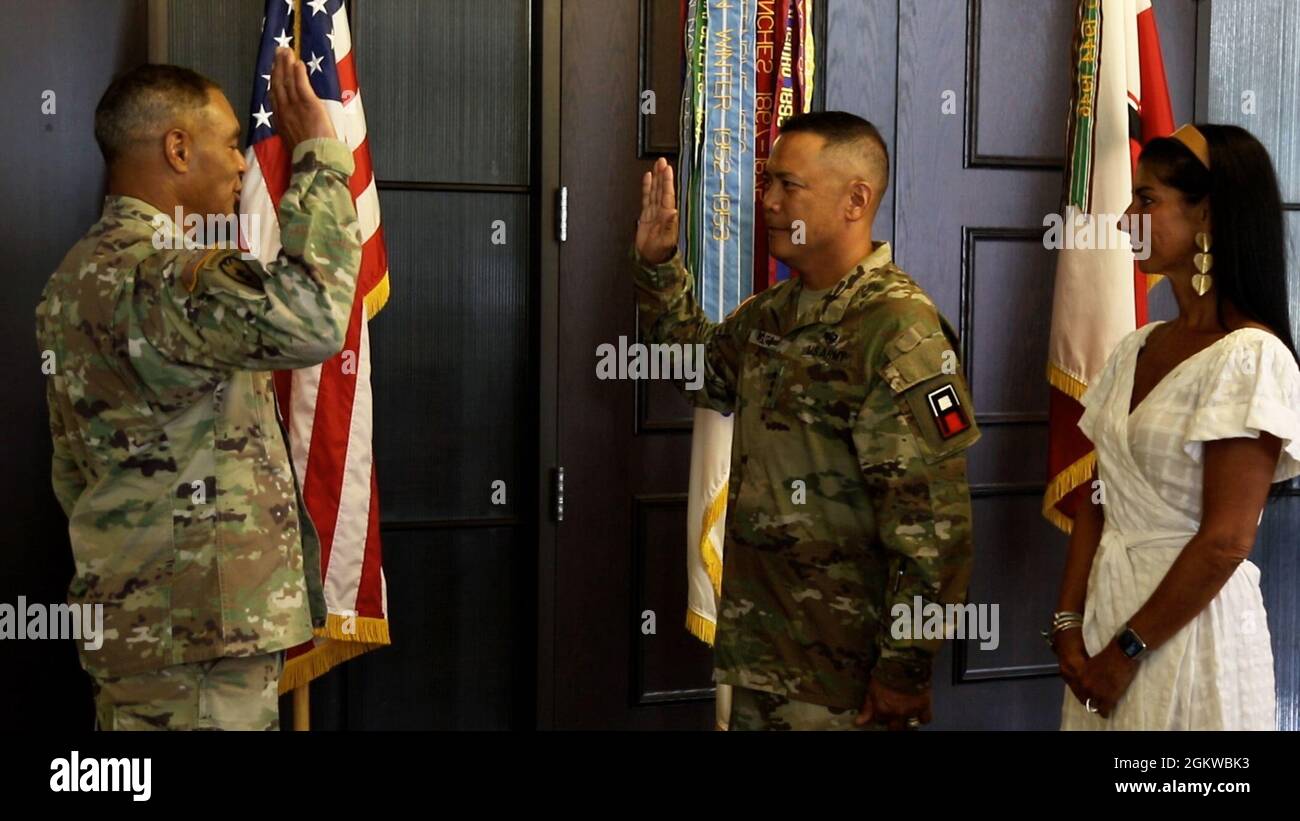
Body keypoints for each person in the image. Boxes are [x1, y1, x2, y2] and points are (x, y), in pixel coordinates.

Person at [34, 49, 361, 730]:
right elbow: (316, 318)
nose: (244, 164)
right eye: (233, 143)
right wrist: (322, 158)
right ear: (177, 149)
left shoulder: (71, 279)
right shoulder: (165, 277)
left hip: (139, 628)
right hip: (199, 641)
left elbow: (73, 470)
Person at [631, 111, 980, 730]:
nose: (765, 201)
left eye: (787, 186)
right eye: (767, 183)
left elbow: (935, 531)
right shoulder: (774, 312)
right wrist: (659, 264)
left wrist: (904, 672)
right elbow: (700, 372)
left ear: (856, 199)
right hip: (762, 656)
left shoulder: (898, 331)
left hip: (844, 681)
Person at [1052, 123, 1300, 730]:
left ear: (1207, 213)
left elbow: (1225, 541)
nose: (1124, 220)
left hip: (1187, 633)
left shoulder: (1250, 357)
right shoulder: (1135, 347)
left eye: (1147, 200)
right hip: (1107, 622)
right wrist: (1068, 621)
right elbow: (1099, 493)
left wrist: (1125, 652)